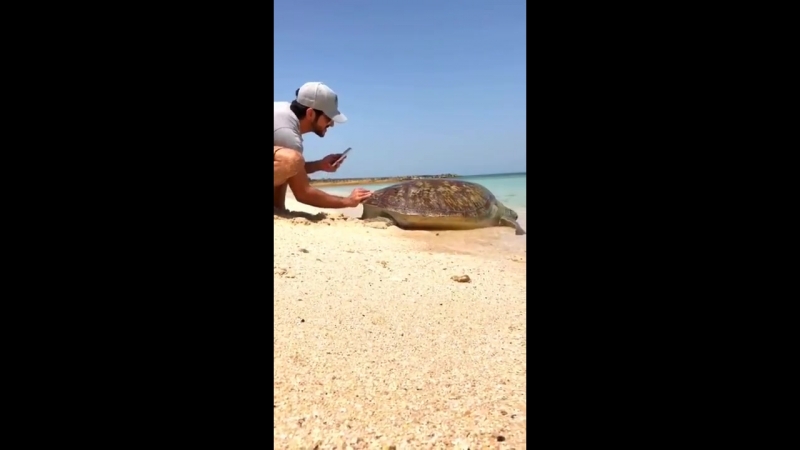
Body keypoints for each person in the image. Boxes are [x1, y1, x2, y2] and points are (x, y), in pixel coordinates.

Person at [274, 82, 372, 211]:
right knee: (290, 160)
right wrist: (347, 201)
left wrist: (319, 165)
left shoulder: (283, 111)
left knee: (289, 164)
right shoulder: (286, 133)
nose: (331, 124)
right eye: (328, 118)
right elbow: (303, 193)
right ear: (310, 114)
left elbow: (295, 173)